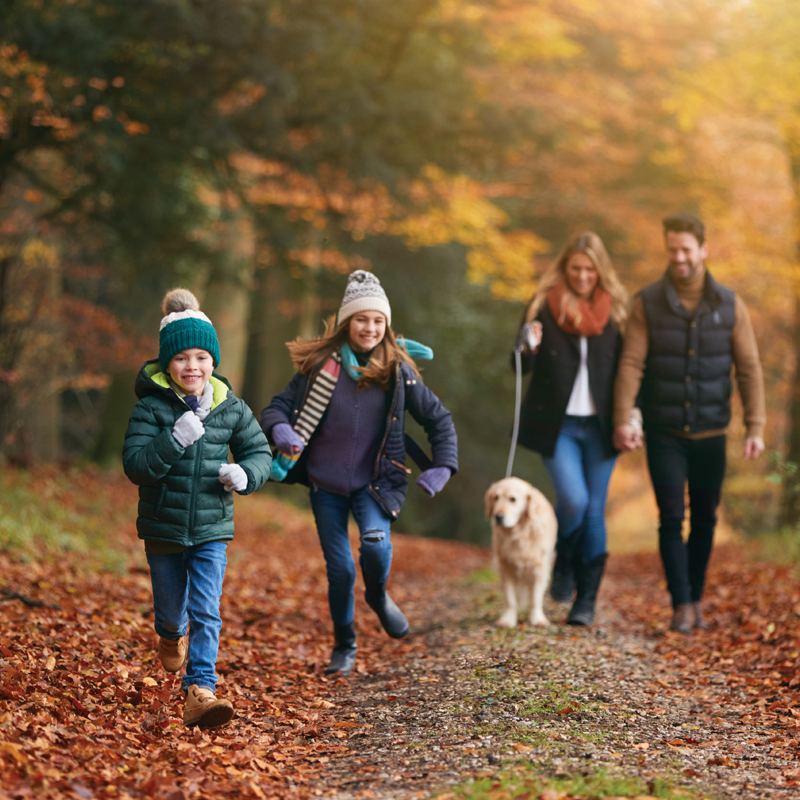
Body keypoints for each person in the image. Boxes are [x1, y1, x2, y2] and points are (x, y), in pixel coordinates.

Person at [260, 270, 457, 678]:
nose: (369, 328)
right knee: (340, 570)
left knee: (375, 546)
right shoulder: (319, 367)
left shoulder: (398, 371)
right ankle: (344, 645)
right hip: (324, 484)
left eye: (378, 321)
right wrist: (281, 431)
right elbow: (275, 408)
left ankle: (379, 596)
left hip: (375, 483)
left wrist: (443, 466)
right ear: (347, 322)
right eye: (362, 319)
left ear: (387, 326)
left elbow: (439, 420)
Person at [123, 288, 272, 728]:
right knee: (172, 615)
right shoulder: (150, 408)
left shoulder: (232, 409)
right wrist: (175, 438)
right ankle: (170, 636)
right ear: (168, 364)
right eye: (183, 358)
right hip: (163, 530)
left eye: (202, 357)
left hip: (212, 529)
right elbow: (136, 466)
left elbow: (260, 454)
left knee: (207, 609)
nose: (193, 366)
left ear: (214, 362)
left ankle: (200, 690)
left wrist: (245, 474)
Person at [613, 213, 765, 634]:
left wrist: (755, 426)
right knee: (670, 518)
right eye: (672, 250)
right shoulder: (647, 303)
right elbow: (631, 362)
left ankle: (695, 598)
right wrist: (624, 417)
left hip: (713, 432)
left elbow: (749, 369)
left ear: (703, 249)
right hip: (665, 433)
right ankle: (681, 603)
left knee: (705, 520)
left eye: (685, 249)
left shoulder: (730, 305)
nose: (678, 257)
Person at [513, 231, 628, 626]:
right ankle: (563, 560)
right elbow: (518, 367)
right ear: (565, 268)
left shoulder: (616, 312)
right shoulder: (543, 306)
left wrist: (632, 416)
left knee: (595, 511)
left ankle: (586, 600)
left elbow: (632, 371)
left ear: (600, 272)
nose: (582, 277)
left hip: (600, 426)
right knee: (574, 500)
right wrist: (527, 345)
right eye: (575, 269)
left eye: (589, 270)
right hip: (557, 425)